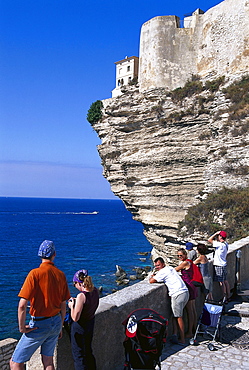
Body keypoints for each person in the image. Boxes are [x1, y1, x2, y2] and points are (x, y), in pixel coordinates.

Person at [10, 240, 71, 370]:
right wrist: (60, 326)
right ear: (54, 254)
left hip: (39, 324)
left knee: (15, 363)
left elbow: (22, 305)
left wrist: (22, 328)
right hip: (55, 322)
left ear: (40, 254)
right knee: (48, 362)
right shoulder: (61, 275)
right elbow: (63, 304)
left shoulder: (35, 274)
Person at [149, 257, 189, 345]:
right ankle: (175, 335)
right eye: (155, 266)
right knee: (175, 315)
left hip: (177, 294)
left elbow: (151, 281)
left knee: (179, 317)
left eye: (158, 265)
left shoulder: (162, 272)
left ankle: (182, 340)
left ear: (163, 264)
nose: (157, 267)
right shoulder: (170, 268)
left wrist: (153, 276)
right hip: (185, 292)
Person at [68, 269, 99, 370]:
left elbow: (75, 318)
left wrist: (72, 305)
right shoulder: (95, 291)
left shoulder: (81, 296)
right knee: (88, 352)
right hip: (90, 324)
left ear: (78, 283)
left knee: (79, 355)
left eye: (74, 284)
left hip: (80, 328)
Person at [175, 248, 198, 338]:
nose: (179, 257)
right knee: (193, 309)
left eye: (181, 255)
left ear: (185, 254)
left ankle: (189, 332)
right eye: (178, 256)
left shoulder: (184, 263)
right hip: (192, 286)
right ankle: (194, 329)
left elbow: (174, 270)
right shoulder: (189, 261)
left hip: (189, 287)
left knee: (189, 311)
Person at [208, 230, 231, 302]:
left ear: (220, 237)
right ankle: (228, 296)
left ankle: (224, 297)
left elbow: (209, 240)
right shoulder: (225, 244)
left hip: (219, 265)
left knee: (221, 282)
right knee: (225, 281)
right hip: (224, 264)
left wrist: (215, 233)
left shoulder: (219, 245)